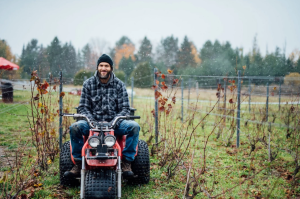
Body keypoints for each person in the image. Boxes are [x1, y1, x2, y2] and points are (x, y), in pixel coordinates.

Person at [64, 54, 140, 178]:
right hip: (91, 123)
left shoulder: (119, 85)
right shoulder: (88, 84)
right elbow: (83, 107)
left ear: (111, 68)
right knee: (75, 127)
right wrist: (92, 121)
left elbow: (125, 109)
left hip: (115, 123)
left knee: (134, 127)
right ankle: (78, 163)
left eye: (106, 66)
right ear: (97, 67)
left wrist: (114, 122)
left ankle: (126, 162)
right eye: (101, 65)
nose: (103, 68)